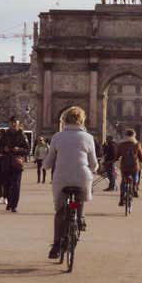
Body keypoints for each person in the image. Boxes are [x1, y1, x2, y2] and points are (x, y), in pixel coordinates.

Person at [43, 107, 99, 259]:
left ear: (65, 119)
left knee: (60, 211)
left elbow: (49, 160)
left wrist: (45, 166)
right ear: (82, 120)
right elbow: (93, 163)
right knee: (80, 195)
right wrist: (94, 168)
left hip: (61, 177)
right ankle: (80, 217)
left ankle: (55, 245)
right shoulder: (88, 138)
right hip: (82, 176)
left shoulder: (57, 137)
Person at [0, 116, 28, 213]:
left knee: (16, 185)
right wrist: (4, 149)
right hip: (7, 162)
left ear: (18, 124)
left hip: (17, 162)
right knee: (7, 185)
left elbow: (27, 150)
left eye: (15, 123)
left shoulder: (22, 135)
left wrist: (19, 149)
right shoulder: (5, 134)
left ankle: (14, 205)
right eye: (11, 123)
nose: (13, 125)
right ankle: (9, 203)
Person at [115, 129, 142, 206]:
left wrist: (114, 159)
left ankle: (121, 199)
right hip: (134, 166)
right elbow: (141, 157)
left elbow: (117, 155)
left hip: (124, 166)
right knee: (135, 177)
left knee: (123, 181)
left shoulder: (121, 145)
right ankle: (134, 188)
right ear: (134, 135)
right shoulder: (137, 144)